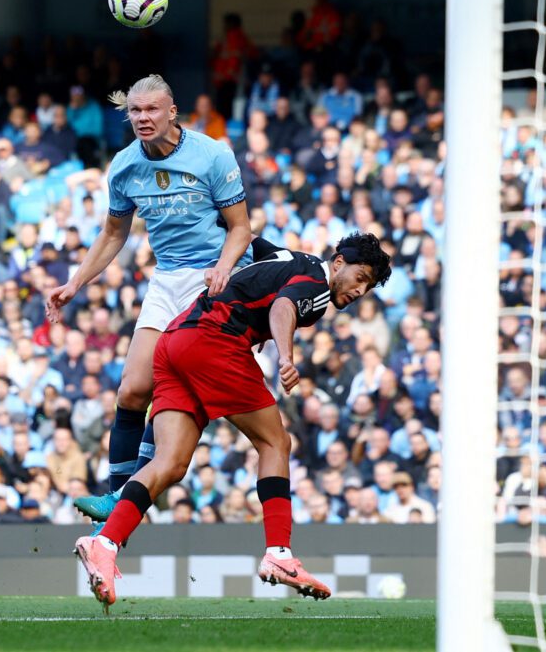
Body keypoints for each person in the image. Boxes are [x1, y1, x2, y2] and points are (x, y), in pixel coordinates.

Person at [73, 233, 391, 608]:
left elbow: (248, 239)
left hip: (176, 338)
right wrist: (285, 358)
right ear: (338, 262)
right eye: (360, 277)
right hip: (216, 343)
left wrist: (224, 268)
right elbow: (282, 308)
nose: (360, 290)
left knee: (170, 463)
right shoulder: (317, 285)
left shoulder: (289, 257)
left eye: (368, 286)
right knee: (276, 443)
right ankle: (279, 553)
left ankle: (104, 543)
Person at [46, 74, 252, 523]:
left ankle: (139, 487)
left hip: (214, 278)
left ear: (171, 112)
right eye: (135, 111)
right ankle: (119, 495)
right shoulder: (123, 166)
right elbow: (114, 232)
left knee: (169, 387)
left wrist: (223, 267)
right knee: (133, 388)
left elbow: (241, 228)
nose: (143, 118)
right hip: (167, 279)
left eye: (152, 110)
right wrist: (75, 282)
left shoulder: (213, 155)